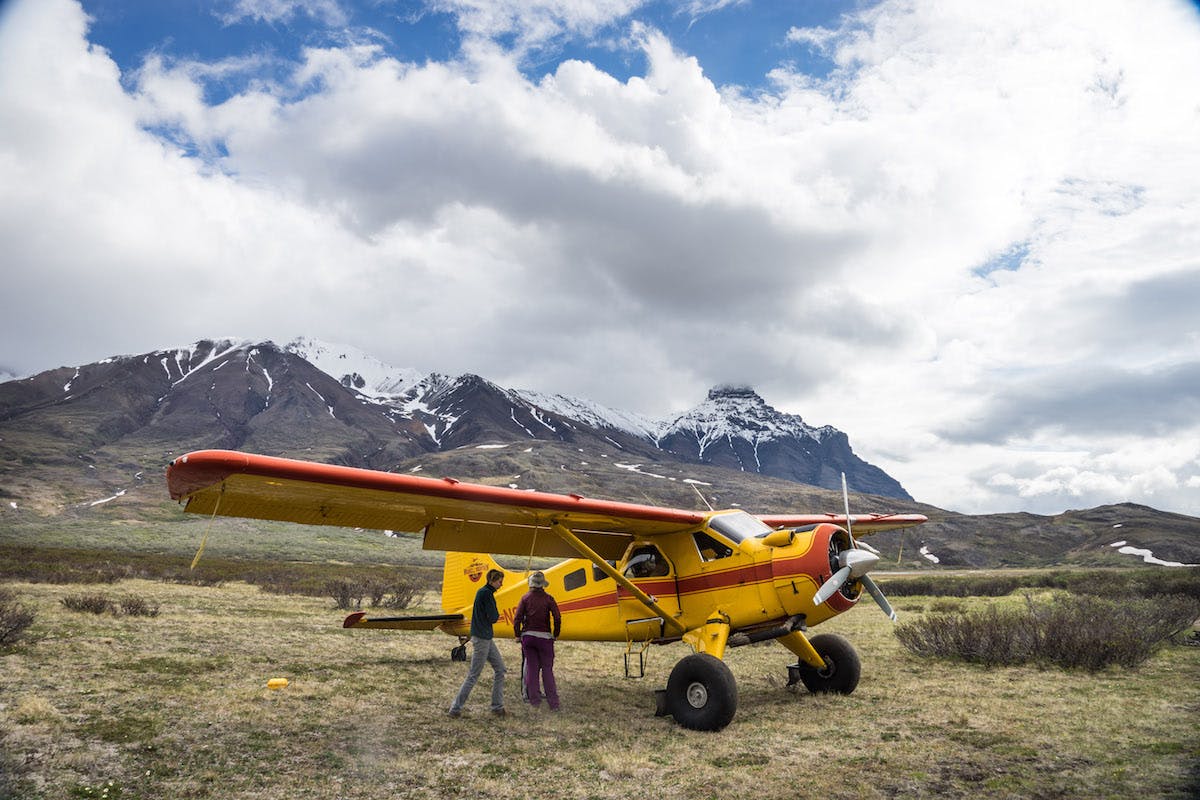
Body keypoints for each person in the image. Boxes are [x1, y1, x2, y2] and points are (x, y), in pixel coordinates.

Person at [449, 569, 507, 718]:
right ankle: (455, 708)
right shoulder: (487, 594)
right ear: (493, 580)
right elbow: (494, 617)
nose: (501, 584)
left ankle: (497, 706)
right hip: (482, 639)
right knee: (473, 675)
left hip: (484, 636)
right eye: (500, 581)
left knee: (500, 669)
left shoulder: (482, 592)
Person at [513, 570, 562, 711]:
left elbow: (517, 619)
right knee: (547, 670)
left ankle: (534, 701)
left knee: (532, 670)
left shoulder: (525, 598)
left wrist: (517, 635)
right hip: (545, 639)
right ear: (542, 585)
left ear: (531, 585)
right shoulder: (549, 599)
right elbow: (557, 617)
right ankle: (554, 703)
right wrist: (555, 633)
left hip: (528, 638)